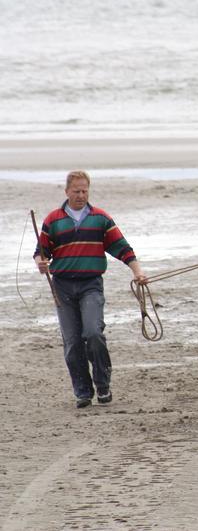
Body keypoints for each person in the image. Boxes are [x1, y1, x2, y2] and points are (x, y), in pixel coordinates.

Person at [34, 170, 147, 408]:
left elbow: (122, 248)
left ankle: (103, 385)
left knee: (94, 334)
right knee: (73, 342)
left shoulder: (100, 218)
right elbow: (41, 252)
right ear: (67, 192)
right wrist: (41, 264)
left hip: (91, 285)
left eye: (85, 190)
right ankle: (82, 392)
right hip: (62, 287)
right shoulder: (53, 220)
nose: (81, 195)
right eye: (76, 191)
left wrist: (137, 272)